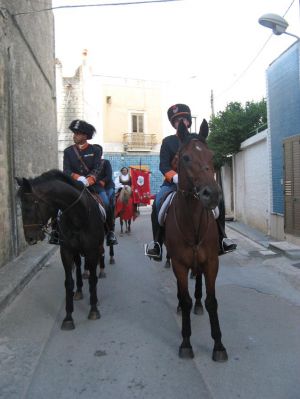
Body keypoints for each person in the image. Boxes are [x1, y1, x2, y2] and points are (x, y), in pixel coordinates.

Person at [146, 104, 237, 261]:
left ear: (188, 121)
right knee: (158, 203)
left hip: (196, 183)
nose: (180, 121)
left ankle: (222, 237)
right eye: (176, 120)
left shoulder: (197, 139)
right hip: (171, 184)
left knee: (219, 200)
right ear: (174, 124)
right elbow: (163, 165)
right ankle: (157, 244)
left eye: (183, 118)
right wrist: (174, 177)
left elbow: (204, 160)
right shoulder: (168, 141)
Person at [49, 119, 117, 246]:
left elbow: (97, 168)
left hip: (93, 187)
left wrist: (89, 179)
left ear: (85, 136)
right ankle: (55, 232)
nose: (74, 136)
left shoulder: (95, 150)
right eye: (74, 133)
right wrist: (77, 177)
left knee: (107, 203)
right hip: (74, 186)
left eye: (77, 133)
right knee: (57, 203)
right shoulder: (68, 151)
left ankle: (110, 232)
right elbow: (66, 170)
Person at [93, 144, 118, 246]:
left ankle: (110, 231)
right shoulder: (89, 164)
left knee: (107, 203)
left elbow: (108, 176)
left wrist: (101, 182)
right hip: (93, 187)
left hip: (106, 186)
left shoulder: (105, 162)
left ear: (101, 153)